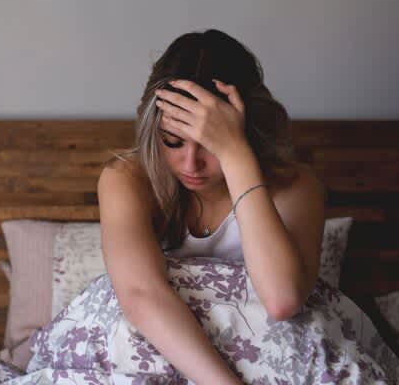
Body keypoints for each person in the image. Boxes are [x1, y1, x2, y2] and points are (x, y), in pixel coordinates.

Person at [97, 29, 326, 385]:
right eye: (173, 143)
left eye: (210, 145)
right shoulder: (126, 180)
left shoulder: (295, 187)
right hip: (162, 352)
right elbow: (141, 295)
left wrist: (236, 155)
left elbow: (283, 301)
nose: (191, 165)